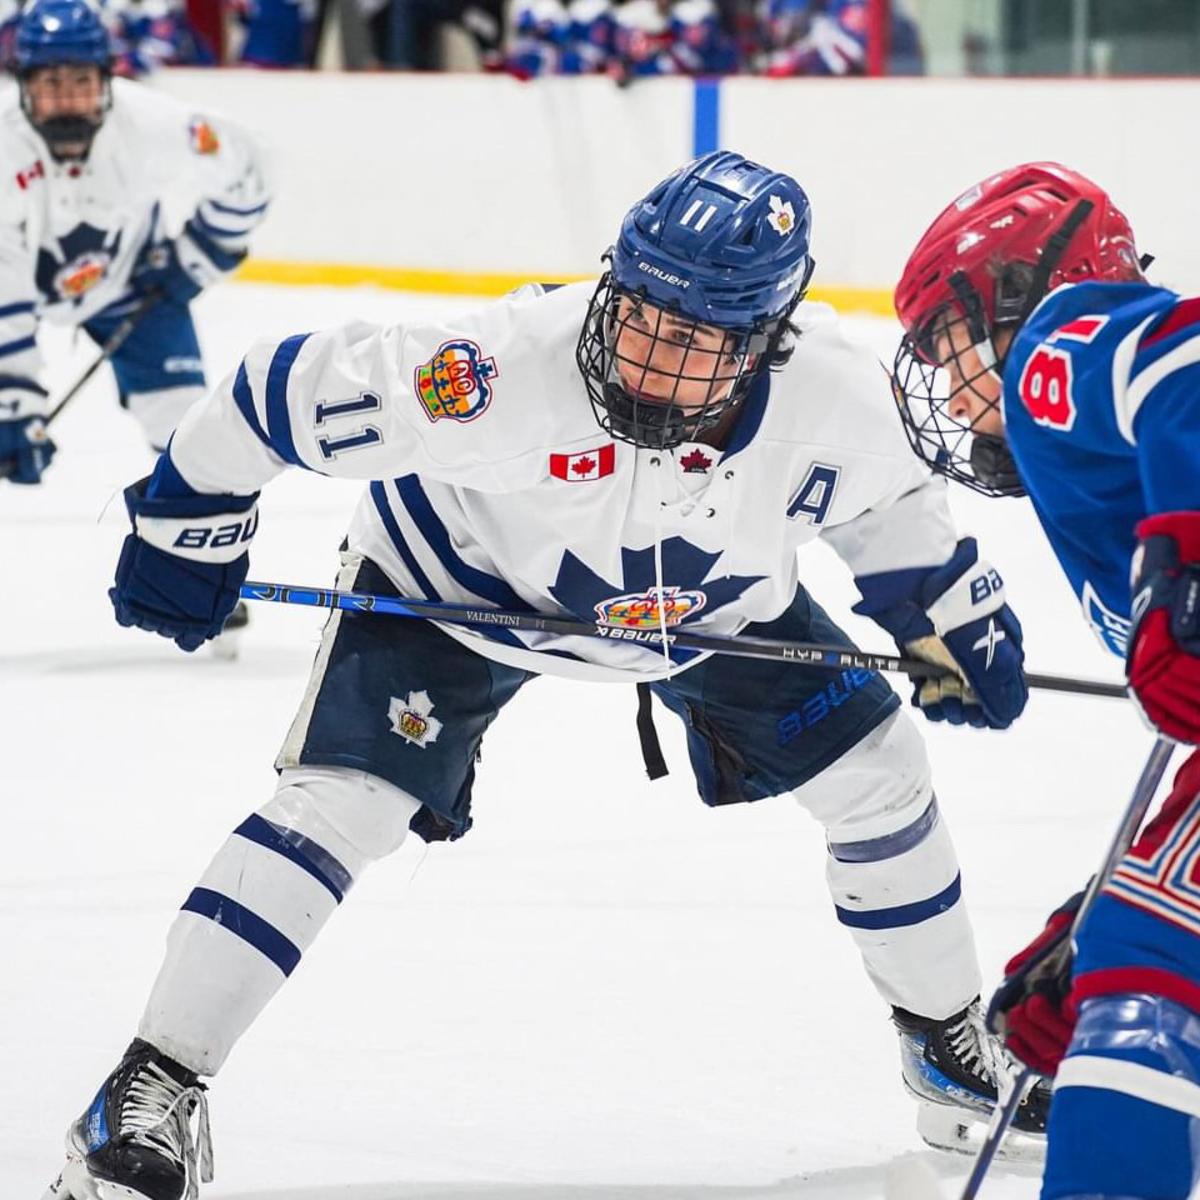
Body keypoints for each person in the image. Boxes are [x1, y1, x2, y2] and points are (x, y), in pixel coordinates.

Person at [45, 151, 1044, 1200]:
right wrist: (187, 521)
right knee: (343, 803)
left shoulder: (839, 396)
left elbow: (884, 505)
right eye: (643, 314)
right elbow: (274, 393)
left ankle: (946, 1054)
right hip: (453, 595)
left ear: (765, 344)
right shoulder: (494, 366)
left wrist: (947, 611)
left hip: (706, 620)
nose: (647, 355)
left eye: (693, 339)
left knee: (884, 771)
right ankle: (147, 1091)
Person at [892, 160, 1200, 1200]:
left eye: (945, 341)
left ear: (1013, 299)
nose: (942, 381)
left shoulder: (1053, 354)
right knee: (1131, 936)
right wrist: (1100, 908)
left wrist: (1191, 560)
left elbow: (1193, 350)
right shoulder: (1089, 458)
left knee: (1150, 952)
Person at [0, 0, 271, 486]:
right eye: (50, 85)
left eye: (81, 83)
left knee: (191, 443)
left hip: (135, 285)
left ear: (107, 80)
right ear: (24, 85)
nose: (67, 100)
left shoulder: (151, 123)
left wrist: (197, 258)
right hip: (24, 291)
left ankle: (198, 542)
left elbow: (249, 167)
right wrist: (13, 402)